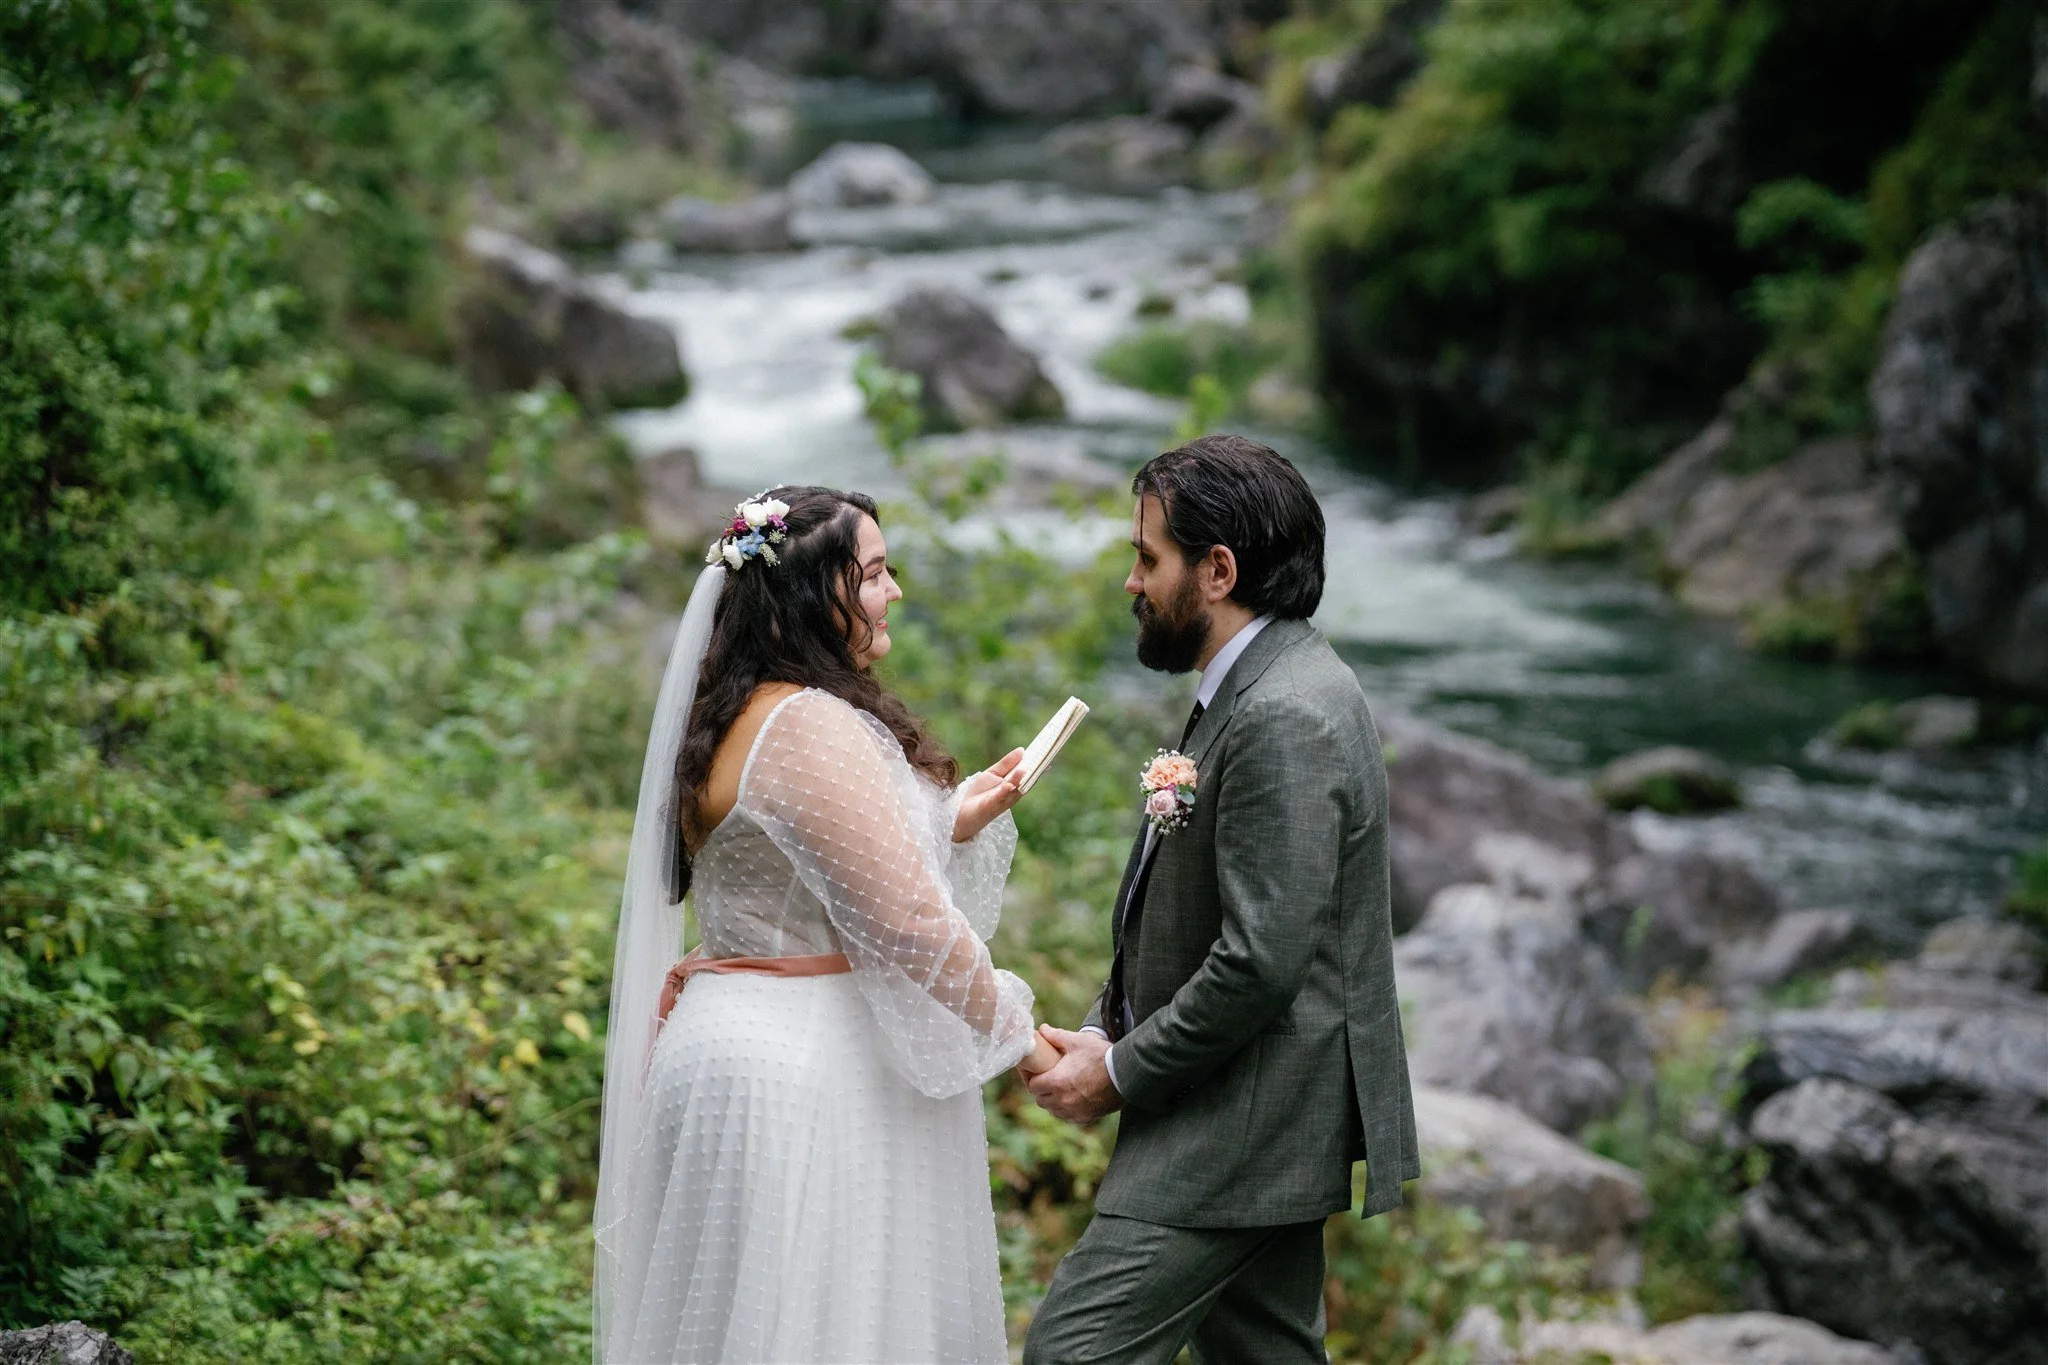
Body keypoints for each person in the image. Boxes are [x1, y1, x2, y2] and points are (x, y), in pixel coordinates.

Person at [592, 485, 1060, 1364]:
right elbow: (909, 920)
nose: (893, 592)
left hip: (734, 1049)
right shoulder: (808, 726)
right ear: (815, 594)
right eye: (876, 573)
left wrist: (946, 818)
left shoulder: (734, 713)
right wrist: (1023, 1038)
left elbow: (796, 865)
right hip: (797, 1072)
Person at [1023, 434, 1420, 1365]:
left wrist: (1117, 1072)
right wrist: (1106, 1028)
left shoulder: (1285, 710)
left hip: (1236, 1127)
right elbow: (1192, 915)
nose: (1131, 581)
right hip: (1259, 1110)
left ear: (1218, 569)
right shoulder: (1263, 678)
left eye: (1145, 556)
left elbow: (1259, 959)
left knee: (1071, 1352)